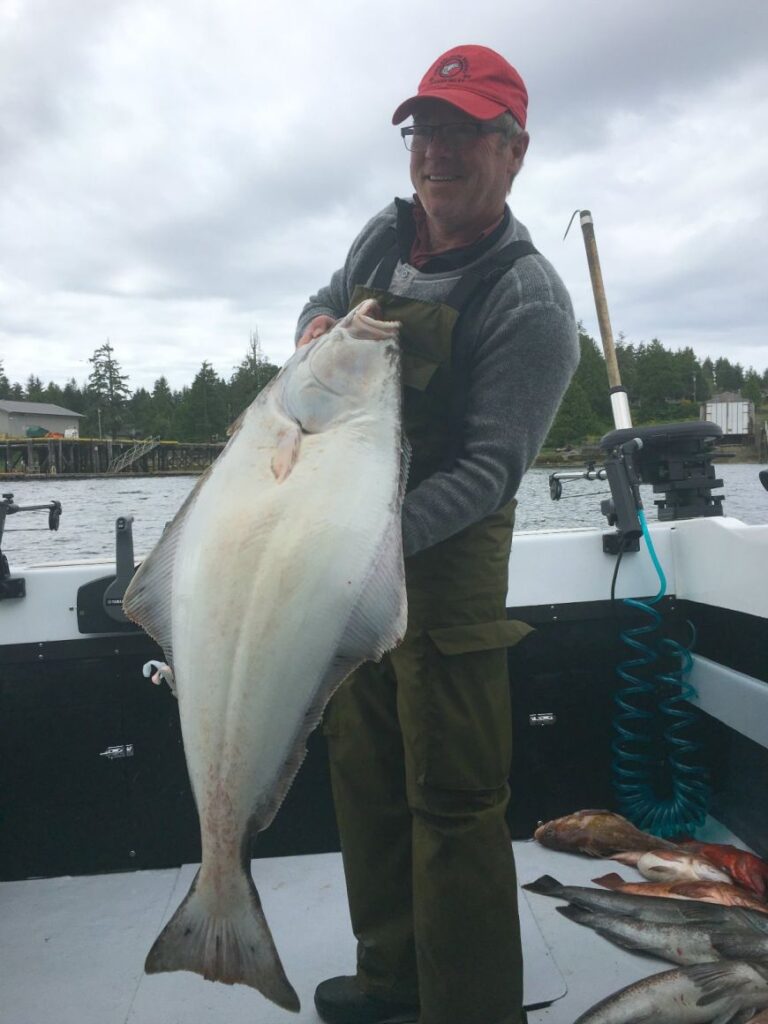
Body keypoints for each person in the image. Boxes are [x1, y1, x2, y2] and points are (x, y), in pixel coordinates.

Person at [296, 44, 579, 1024]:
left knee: (452, 802)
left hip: (447, 570)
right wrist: (315, 328)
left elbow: (487, 474)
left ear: (515, 150)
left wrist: (368, 540)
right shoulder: (388, 234)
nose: (436, 152)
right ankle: (392, 983)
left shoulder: (531, 301)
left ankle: (469, 1008)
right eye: (425, 129)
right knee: (365, 769)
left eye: (462, 130)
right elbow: (327, 299)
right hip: (352, 548)